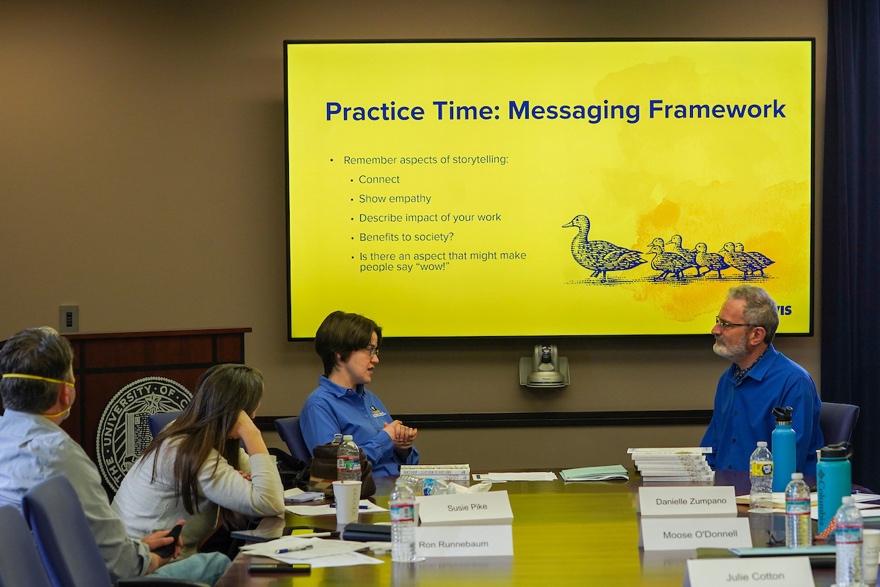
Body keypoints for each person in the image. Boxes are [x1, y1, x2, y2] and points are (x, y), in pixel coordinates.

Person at [0, 327, 231, 585]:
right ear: (65, 393)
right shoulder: (59, 455)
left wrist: (137, 548)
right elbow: (122, 568)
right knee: (217, 564)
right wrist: (153, 558)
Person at [112, 363, 284, 560]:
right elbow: (271, 502)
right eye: (251, 411)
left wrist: (250, 482)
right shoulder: (189, 450)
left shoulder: (194, 433)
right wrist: (252, 433)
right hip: (146, 564)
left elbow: (270, 489)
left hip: (162, 557)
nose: (253, 415)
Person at [701, 286, 824, 476]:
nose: (715, 330)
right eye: (718, 321)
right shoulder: (727, 380)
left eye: (726, 324)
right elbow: (710, 452)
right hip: (725, 497)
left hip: (773, 498)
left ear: (757, 335)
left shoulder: (794, 382)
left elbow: (789, 466)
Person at [300, 311, 419, 476]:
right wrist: (385, 439)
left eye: (376, 351)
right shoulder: (319, 404)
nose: (375, 360)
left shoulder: (369, 398)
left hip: (398, 485)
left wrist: (402, 448)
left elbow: (408, 462)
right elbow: (335, 469)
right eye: (369, 350)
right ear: (339, 353)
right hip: (365, 494)